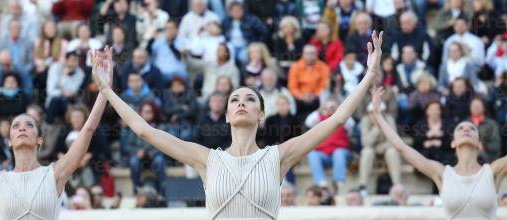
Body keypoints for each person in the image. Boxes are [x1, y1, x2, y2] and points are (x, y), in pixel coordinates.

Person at [94, 32, 383, 219]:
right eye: (234, 100)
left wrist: (369, 75)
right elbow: (144, 130)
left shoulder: (277, 157)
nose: (241, 102)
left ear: (261, 115)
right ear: (227, 115)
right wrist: (107, 91)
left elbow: (338, 119)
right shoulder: (207, 159)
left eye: (249, 99)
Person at [0, 49, 108, 218]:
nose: (22, 128)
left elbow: (88, 129)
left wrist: (104, 90)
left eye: (29, 125)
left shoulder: (55, 173)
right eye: (16, 126)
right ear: (9, 141)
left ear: (39, 140)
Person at [371, 84, 507, 219]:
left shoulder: (493, 171)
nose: (466, 129)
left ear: (479, 142)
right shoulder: (442, 173)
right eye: (461, 128)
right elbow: (402, 148)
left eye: (472, 128)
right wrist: (378, 116)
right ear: (453, 142)